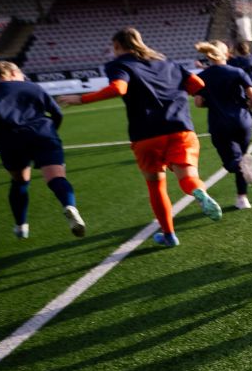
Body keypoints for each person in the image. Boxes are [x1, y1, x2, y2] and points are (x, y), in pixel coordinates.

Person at [58, 27, 222, 247]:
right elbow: (198, 85)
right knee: (187, 176)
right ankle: (199, 192)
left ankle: (169, 235)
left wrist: (81, 99)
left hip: (146, 134)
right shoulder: (168, 62)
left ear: (117, 46)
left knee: (156, 186)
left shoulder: (120, 64)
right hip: (180, 128)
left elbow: (119, 88)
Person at [0, 51, 85, 240]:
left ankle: (21, 226)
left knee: (19, 181)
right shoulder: (33, 87)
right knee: (56, 177)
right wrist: (52, 133)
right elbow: (57, 113)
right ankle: (69, 206)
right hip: (44, 134)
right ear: (12, 73)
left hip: (11, 139)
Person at [194, 39, 252, 209]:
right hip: (243, 122)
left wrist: (214, 102)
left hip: (220, 123)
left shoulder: (202, 76)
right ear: (227, 54)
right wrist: (249, 104)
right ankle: (242, 198)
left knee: (234, 163)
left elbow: (199, 102)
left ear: (209, 55)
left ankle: (239, 171)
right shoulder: (238, 72)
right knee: (243, 159)